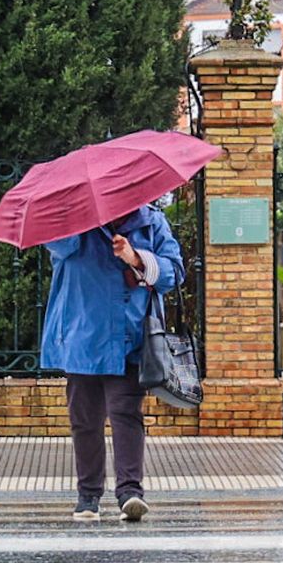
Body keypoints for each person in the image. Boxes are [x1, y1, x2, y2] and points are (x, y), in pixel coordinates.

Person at [43, 203, 184, 522]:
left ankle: (130, 492)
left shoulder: (151, 222)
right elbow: (57, 247)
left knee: (126, 413)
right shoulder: (72, 219)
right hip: (83, 334)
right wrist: (77, 219)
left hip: (129, 335)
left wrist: (137, 258)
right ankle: (88, 496)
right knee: (85, 419)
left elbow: (175, 272)